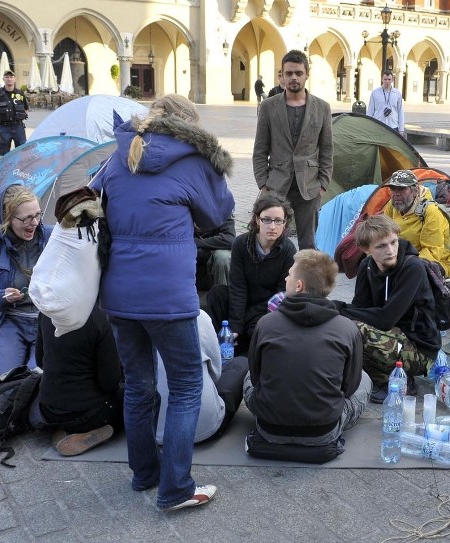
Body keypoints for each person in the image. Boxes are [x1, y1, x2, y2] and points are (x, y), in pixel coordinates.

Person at [90, 94, 235, 511]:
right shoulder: (193, 159)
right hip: (168, 295)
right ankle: (175, 489)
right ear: (189, 125)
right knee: (187, 387)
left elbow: (93, 204)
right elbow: (218, 215)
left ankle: (144, 474)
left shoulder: (120, 154)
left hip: (118, 291)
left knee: (138, 385)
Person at [243, 249, 371, 454]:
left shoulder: (266, 323)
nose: (286, 277)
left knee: (248, 373)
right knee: (364, 378)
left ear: (299, 285)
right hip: (323, 432)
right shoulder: (347, 328)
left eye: (290, 274)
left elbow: (257, 377)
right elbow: (350, 385)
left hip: (269, 429)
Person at [334, 215, 440, 404]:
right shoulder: (367, 266)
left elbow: (386, 319)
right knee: (343, 325)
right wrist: (337, 312)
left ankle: (397, 380)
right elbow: (359, 308)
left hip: (420, 350)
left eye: (393, 242)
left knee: (356, 328)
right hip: (393, 336)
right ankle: (367, 374)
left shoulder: (413, 268)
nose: (390, 251)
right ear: (366, 249)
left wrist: (339, 308)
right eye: (381, 246)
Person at [253, 49, 333, 250]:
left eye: (298, 73)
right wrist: (264, 184)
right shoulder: (269, 107)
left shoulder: (322, 108)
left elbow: (327, 149)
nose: (294, 77)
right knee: (273, 241)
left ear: (307, 74)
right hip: (277, 185)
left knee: (308, 244)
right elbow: (260, 149)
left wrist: (322, 184)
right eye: (289, 73)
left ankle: (304, 281)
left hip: (309, 186)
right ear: (281, 75)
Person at [0, 184, 52, 379]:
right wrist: (1, 296)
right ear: (7, 219)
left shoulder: (53, 238)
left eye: (38, 214)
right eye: (26, 218)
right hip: (12, 321)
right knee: (3, 377)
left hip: (47, 320)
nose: (34, 222)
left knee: (40, 375)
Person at [204, 192, 296, 353]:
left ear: (285, 222)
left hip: (266, 307)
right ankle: (225, 342)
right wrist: (236, 326)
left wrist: (248, 318)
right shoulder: (241, 244)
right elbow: (238, 287)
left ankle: (247, 348)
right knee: (217, 293)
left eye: (278, 220)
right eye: (266, 220)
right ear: (257, 219)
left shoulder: (288, 250)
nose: (272, 226)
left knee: (259, 326)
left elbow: (280, 296)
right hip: (242, 302)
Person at [30, 307, 123, 457]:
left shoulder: (46, 312)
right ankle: (93, 431)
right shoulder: (97, 317)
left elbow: (40, 361)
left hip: (48, 410)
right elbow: (109, 382)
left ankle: (62, 431)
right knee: (135, 399)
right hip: (87, 414)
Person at [156, 311, 248, 444]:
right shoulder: (199, 316)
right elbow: (216, 373)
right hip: (204, 429)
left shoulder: (130, 320)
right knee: (240, 363)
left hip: (147, 430)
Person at [381, 169, 450, 277]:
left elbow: (433, 251)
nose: (396, 194)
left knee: (412, 271)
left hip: (434, 261)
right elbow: (382, 234)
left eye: (402, 189)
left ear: (415, 191)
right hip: (400, 257)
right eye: (393, 189)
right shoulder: (393, 204)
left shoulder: (430, 212)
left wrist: (402, 263)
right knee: (369, 262)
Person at [0, 70, 29, 156]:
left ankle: (20, 168)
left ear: (15, 79)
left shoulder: (20, 93)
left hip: (18, 127)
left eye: (11, 77)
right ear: (3, 79)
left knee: (22, 151)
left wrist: (21, 116)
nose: (9, 79)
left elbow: (26, 108)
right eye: (7, 77)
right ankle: (6, 168)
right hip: (4, 127)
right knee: (4, 151)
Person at [195, 215, 236, 291]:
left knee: (223, 256)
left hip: (215, 273)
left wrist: (196, 243)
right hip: (190, 275)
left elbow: (230, 240)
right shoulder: (182, 212)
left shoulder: (221, 211)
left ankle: (222, 297)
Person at [367, 71, 405, 135]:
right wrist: (368, 127)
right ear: (382, 79)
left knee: (392, 145)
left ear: (392, 80)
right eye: (385, 79)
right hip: (378, 125)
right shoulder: (375, 93)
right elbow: (370, 111)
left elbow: (400, 111)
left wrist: (401, 129)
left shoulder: (397, 93)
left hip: (393, 126)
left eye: (389, 79)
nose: (387, 81)